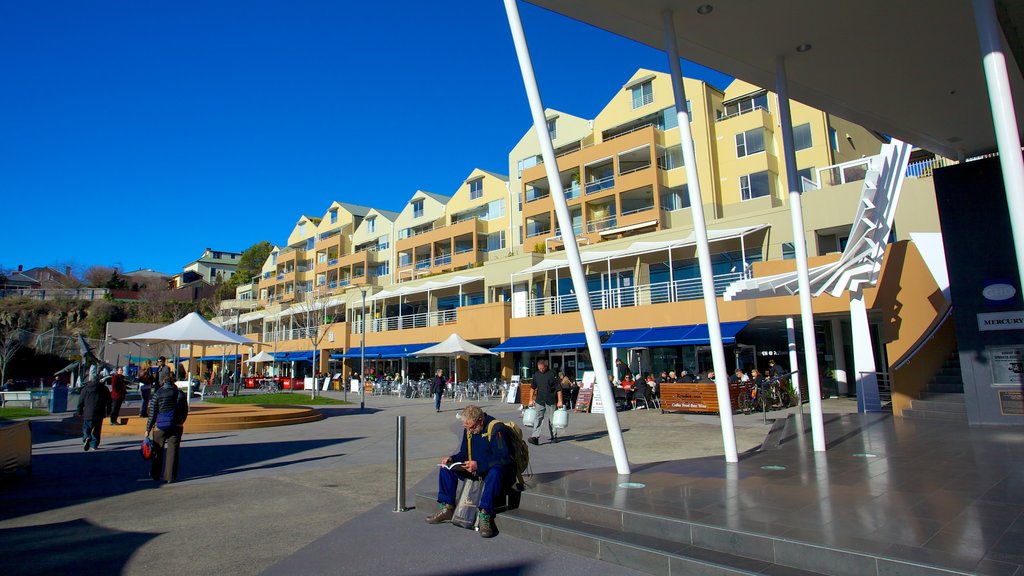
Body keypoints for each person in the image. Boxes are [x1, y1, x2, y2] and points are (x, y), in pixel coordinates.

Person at [425, 405, 514, 538]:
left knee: (496, 471)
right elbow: (464, 453)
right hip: (475, 468)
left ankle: (485, 514)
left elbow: (505, 458)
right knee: (446, 468)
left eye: (471, 427)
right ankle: (448, 507)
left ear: (480, 421)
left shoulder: (497, 429)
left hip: (493, 471)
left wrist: (479, 465)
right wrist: (452, 459)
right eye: (466, 427)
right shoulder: (469, 429)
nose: (469, 431)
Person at [146, 375, 189, 483]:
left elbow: (152, 413)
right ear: (174, 382)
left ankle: (155, 474)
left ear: (163, 382)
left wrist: (148, 428)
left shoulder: (158, 394)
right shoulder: (179, 394)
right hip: (176, 425)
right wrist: (181, 421)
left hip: (160, 426)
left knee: (157, 450)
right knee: (173, 451)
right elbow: (185, 410)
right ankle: (170, 476)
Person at [528, 358, 562, 444]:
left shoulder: (552, 373)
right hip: (540, 399)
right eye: (539, 368)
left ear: (545, 366)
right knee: (538, 418)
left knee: (552, 419)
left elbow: (558, 388)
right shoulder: (536, 375)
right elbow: (532, 388)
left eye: (542, 368)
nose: (541, 370)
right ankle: (535, 437)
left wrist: (560, 401)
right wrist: (530, 400)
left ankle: (554, 436)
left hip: (551, 399)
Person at [77, 371, 111, 451]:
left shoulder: (85, 389)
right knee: (97, 429)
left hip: (88, 412)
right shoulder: (104, 389)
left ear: (91, 379)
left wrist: (80, 411)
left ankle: (87, 436)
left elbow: (80, 401)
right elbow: (109, 401)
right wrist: (109, 411)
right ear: (99, 380)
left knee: (87, 427)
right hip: (100, 412)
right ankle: (94, 444)